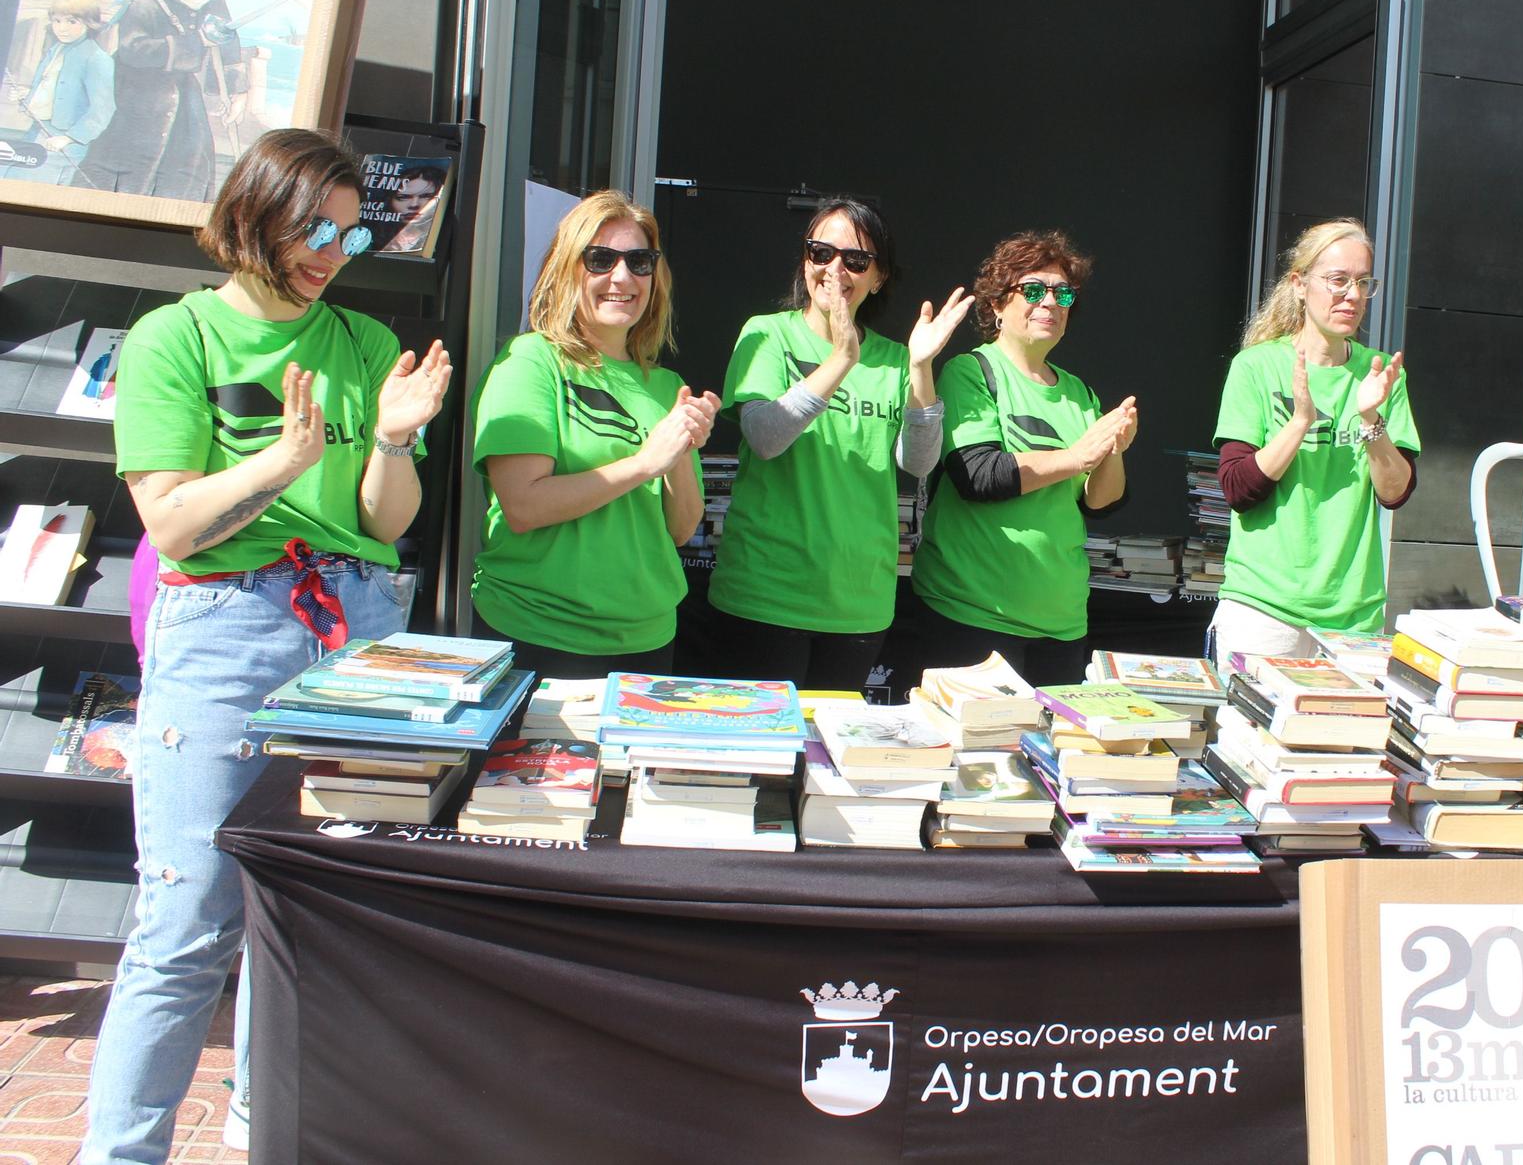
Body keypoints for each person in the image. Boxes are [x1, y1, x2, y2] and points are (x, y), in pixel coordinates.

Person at [85, 128, 452, 1163]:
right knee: (187, 923)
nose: (330, 251)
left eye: (348, 233)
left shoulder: (367, 345)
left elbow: (384, 523)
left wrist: (386, 440)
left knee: (308, 918)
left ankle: (267, 1135)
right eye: (311, 227)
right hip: (223, 623)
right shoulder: (174, 336)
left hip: (357, 625)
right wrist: (279, 463)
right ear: (255, 210)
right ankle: (117, 1154)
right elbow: (169, 523)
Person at [703, 198, 970, 689]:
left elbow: (918, 462)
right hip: (765, 596)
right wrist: (842, 358)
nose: (834, 270)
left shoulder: (894, 359)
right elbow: (764, 437)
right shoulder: (767, 335)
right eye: (820, 252)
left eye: (856, 260)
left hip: (857, 605)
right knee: (759, 763)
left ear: (879, 276)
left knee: (828, 762)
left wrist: (920, 368)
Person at [470, 191, 719, 678]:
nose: (622, 277)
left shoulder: (666, 385)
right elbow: (523, 505)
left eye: (639, 261)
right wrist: (646, 462)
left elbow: (681, 529)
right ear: (567, 270)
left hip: (647, 639)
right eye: (601, 259)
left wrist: (681, 449)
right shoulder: (531, 361)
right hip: (538, 633)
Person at [909, 230, 1135, 684]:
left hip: (1062, 623)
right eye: (1032, 290)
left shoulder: (1080, 393)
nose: (1049, 302)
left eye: (1062, 292)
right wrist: (1076, 456)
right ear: (996, 306)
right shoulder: (971, 372)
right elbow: (980, 477)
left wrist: (1114, 450)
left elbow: (1101, 503)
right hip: (972, 616)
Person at [1209, 219, 1417, 667]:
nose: (1353, 295)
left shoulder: (1380, 375)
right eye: (1338, 280)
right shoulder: (1255, 367)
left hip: (1353, 617)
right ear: (1300, 285)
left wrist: (1370, 419)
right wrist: (1300, 420)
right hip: (1263, 609)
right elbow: (1238, 490)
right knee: (1251, 737)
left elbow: (1395, 492)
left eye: (1363, 282)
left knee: (1341, 737)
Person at [77, 0, 246, 201]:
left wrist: (237, 92)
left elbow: (225, 39)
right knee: (121, 173)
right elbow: (133, 50)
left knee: (190, 168)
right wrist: (196, 41)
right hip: (135, 99)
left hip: (185, 101)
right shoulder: (144, 2)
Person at [4, 0, 115, 184]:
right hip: (38, 130)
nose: (62, 28)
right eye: (57, 21)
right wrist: (28, 96)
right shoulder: (56, 50)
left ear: (89, 23)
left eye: (72, 22)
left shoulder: (97, 59)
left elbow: (103, 109)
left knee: (30, 190)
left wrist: (69, 138)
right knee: (12, 180)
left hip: (63, 141)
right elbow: (55, 90)